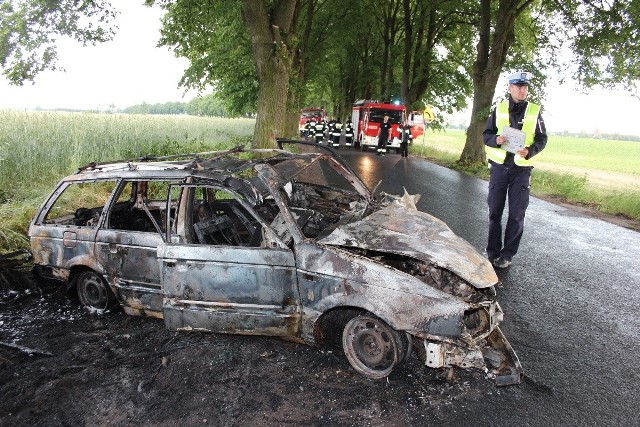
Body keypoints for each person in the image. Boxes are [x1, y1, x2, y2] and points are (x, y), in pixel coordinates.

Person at [483, 71, 548, 269]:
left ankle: (507, 255)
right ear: (510, 88)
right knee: (494, 212)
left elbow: (542, 139)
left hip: (521, 170)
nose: (522, 90)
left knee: (517, 215)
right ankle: (492, 251)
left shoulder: (535, 111)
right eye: (518, 86)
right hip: (500, 168)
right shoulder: (499, 109)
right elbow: (486, 134)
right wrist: (496, 140)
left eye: (525, 86)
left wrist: (529, 151)